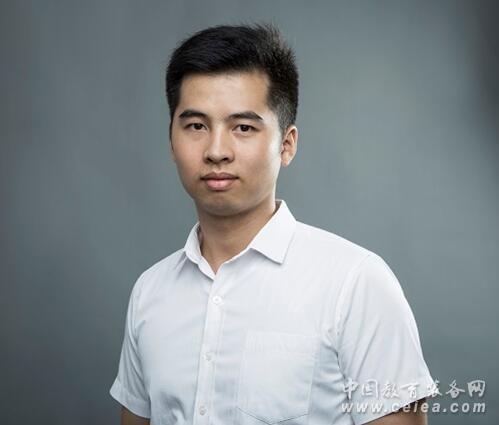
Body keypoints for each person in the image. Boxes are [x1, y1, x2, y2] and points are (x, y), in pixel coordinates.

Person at [110, 23, 436, 425]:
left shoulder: (356, 284)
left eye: (243, 128)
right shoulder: (150, 293)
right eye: (196, 126)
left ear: (287, 144)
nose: (216, 151)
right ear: (171, 141)